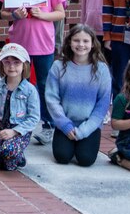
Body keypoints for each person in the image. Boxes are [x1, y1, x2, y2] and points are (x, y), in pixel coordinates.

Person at [0, 0, 65, 144]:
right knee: (17, 82)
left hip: (43, 44)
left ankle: (48, 124)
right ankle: (14, 122)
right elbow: (2, 13)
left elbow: (60, 13)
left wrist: (43, 15)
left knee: (44, 84)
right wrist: (14, 15)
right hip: (20, 44)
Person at [45, 25, 111, 165]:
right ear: (69, 42)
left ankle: (83, 144)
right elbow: (52, 99)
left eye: (85, 41)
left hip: (89, 125)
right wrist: (65, 126)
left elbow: (102, 104)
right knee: (62, 157)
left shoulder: (102, 69)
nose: (81, 45)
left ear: (93, 44)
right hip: (65, 124)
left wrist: (84, 130)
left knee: (85, 160)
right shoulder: (58, 66)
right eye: (76, 40)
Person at [0, 43, 40, 171]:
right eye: (7, 62)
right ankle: (7, 156)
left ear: (24, 64)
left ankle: (17, 156)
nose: (11, 66)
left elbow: (33, 118)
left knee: (8, 153)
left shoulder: (30, 90)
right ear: (2, 63)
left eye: (16, 62)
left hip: (18, 131)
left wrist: (14, 132)